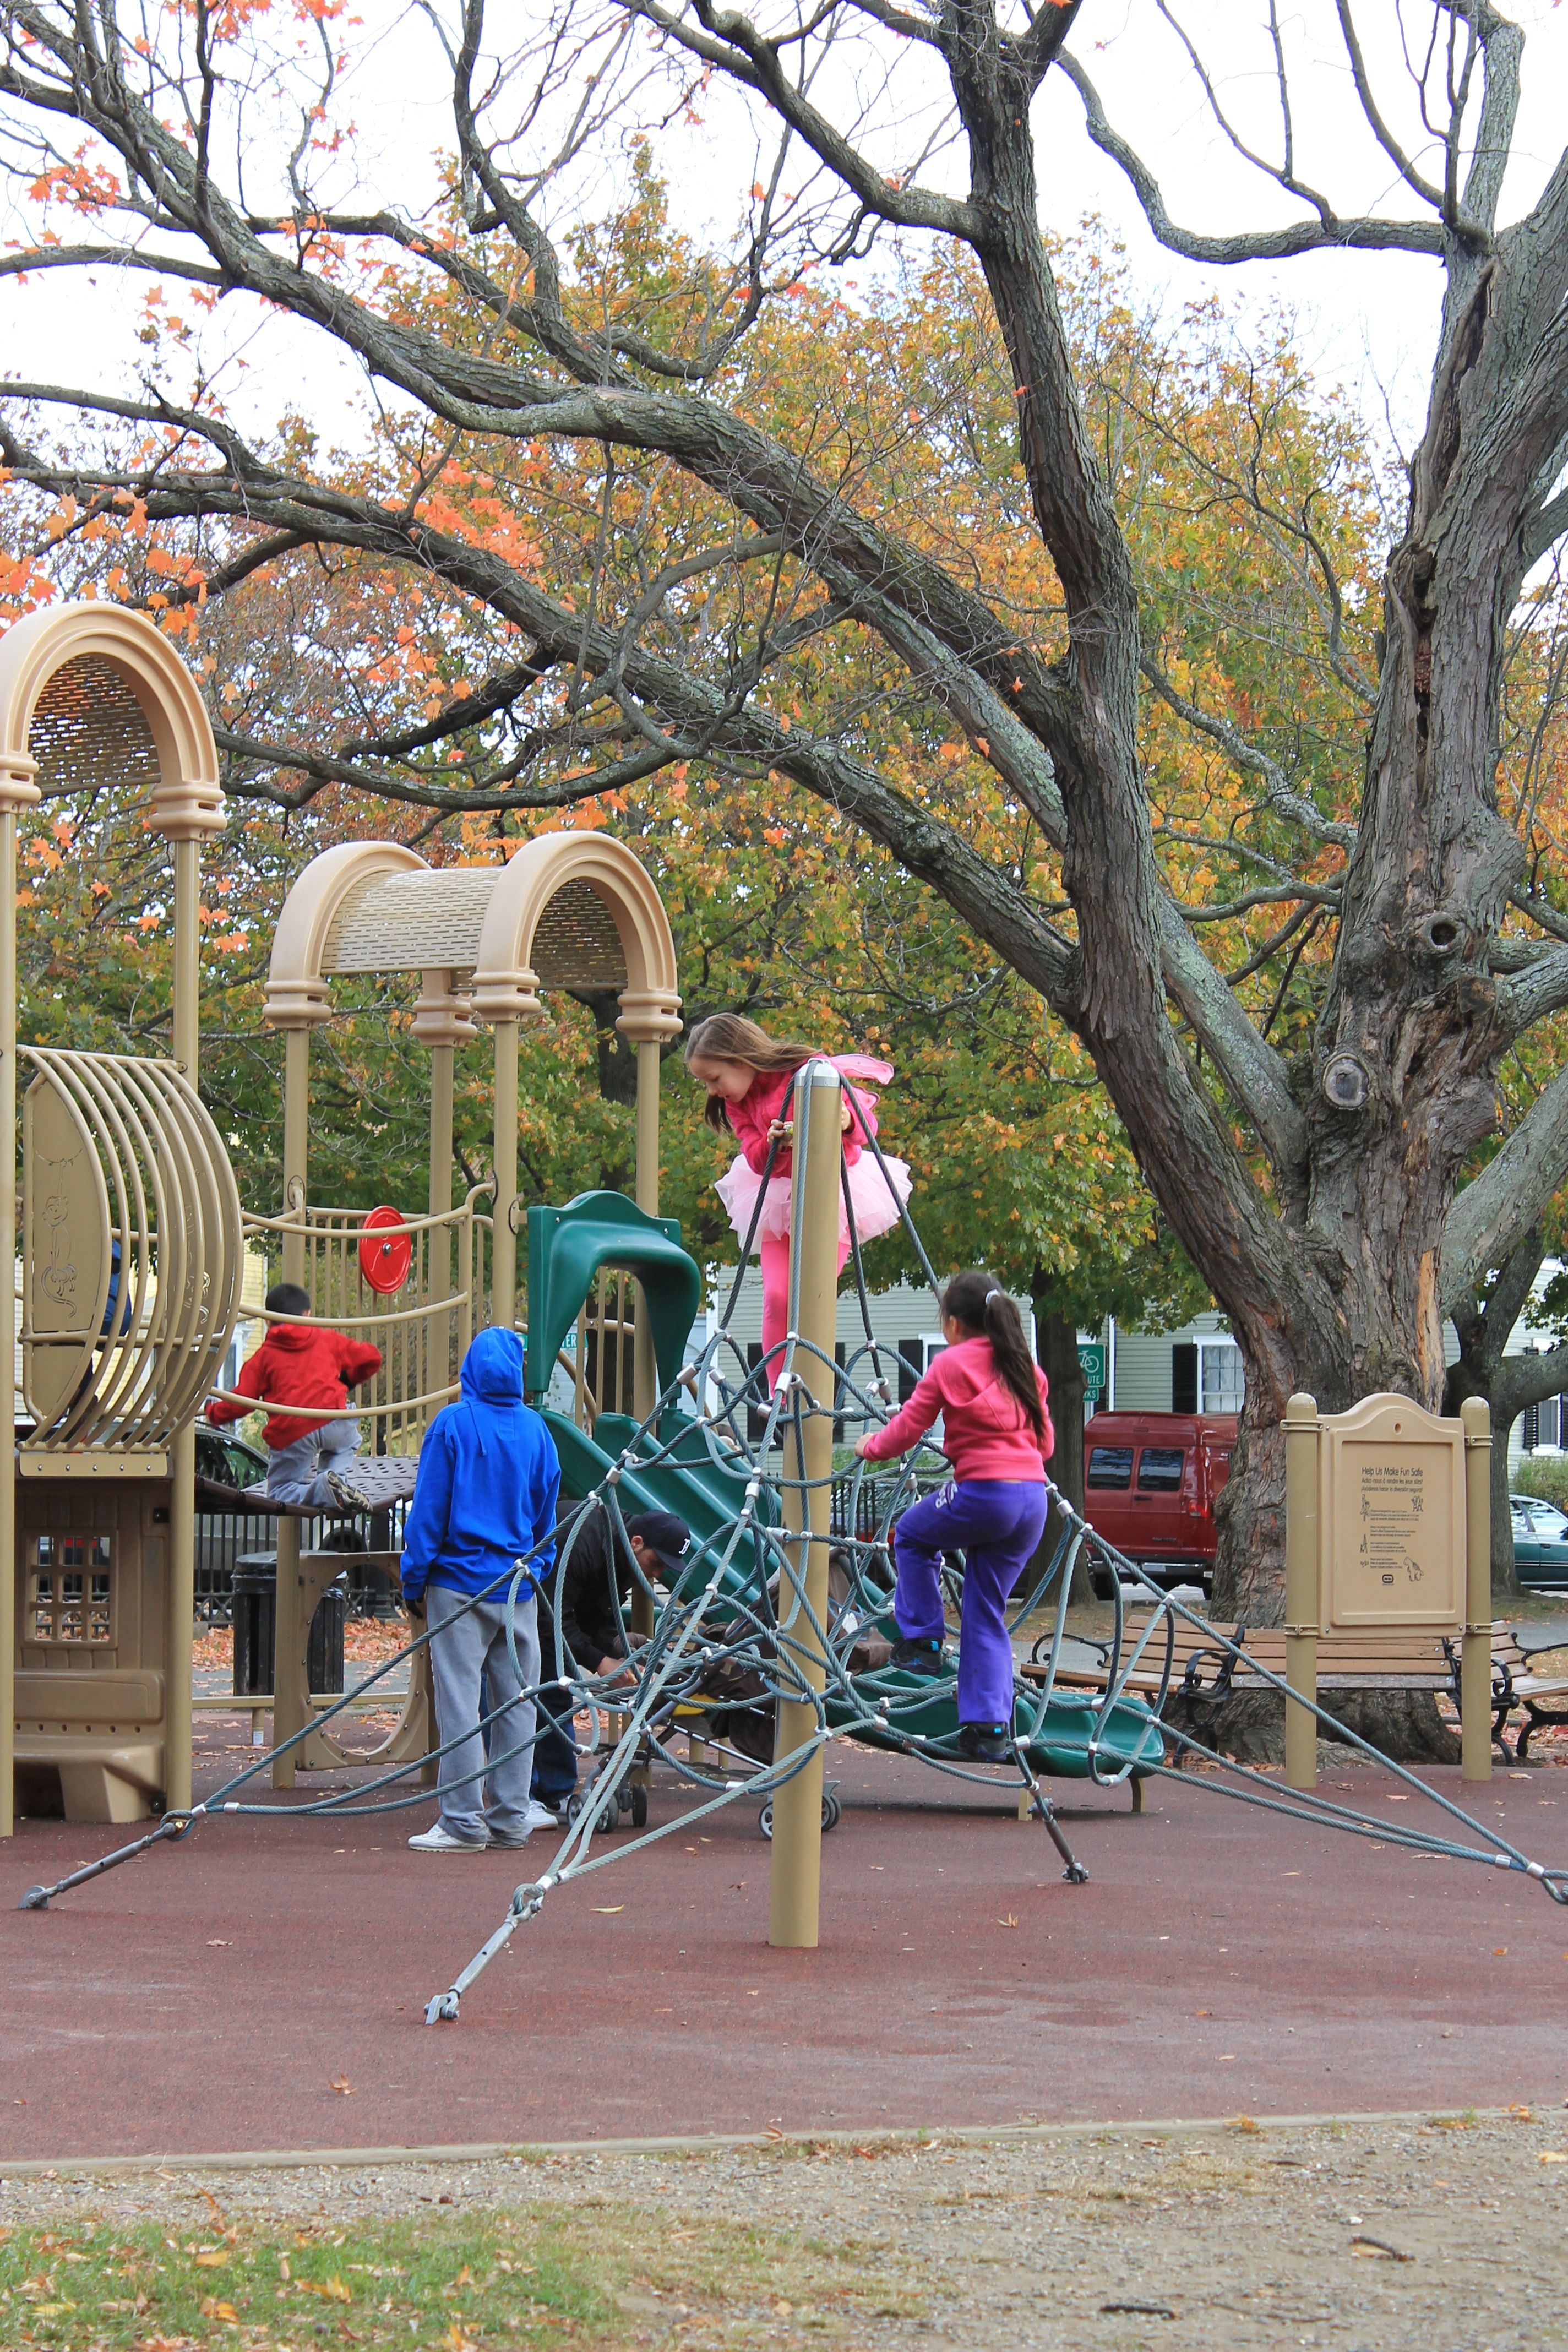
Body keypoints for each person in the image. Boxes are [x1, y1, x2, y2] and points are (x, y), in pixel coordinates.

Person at [855, 1270, 1053, 1763]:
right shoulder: (1025, 1367)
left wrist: (869, 1446)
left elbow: (906, 1430)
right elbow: (1046, 1444)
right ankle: (988, 1728)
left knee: (912, 1535)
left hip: (985, 1492)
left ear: (953, 1323)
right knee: (986, 1611)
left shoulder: (949, 1364)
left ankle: (923, 1640)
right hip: (1032, 1501)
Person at [683, 1012, 912, 1392]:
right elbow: (755, 1158)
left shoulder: (809, 1071)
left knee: (810, 1295)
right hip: (779, 1196)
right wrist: (771, 1143)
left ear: (739, 1060)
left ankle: (813, 1388)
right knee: (777, 1296)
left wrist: (845, 1121)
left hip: (830, 1192)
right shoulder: (740, 1103)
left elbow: (866, 1127)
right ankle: (781, 1391)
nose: (712, 1091)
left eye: (714, 1078)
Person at [400, 1325, 561, 1852]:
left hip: (458, 1584)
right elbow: (546, 1512)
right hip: (516, 1586)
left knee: (460, 1704)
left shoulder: (452, 1424)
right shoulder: (538, 1430)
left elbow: (429, 1512)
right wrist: (538, 1567)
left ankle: (462, 1822)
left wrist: (413, 1579)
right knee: (517, 1705)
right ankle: (511, 1818)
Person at [531, 1501, 694, 1815]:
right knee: (547, 1690)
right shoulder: (585, 1542)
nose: (656, 1574)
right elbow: (552, 1615)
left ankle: (549, 1790)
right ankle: (542, 1793)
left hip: (549, 1607)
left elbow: (594, 1613)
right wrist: (600, 1661)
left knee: (555, 1688)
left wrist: (620, 1652)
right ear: (637, 1542)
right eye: (656, 1563)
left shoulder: (624, 1555)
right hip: (520, 1600)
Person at [205, 1282, 382, 1510]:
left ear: (268, 1321)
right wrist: (347, 1381)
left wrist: (213, 1413)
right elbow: (371, 1358)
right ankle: (335, 1480)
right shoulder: (328, 1340)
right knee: (347, 1442)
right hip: (335, 1421)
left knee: (280, 1490)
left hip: (293, 1431)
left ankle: (325, 1489)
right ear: (307, 1314)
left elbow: (242, 1403)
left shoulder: (264, 1357)